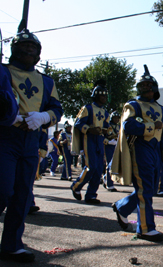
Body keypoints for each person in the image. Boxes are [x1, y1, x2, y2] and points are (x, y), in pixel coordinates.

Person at [0, 29, 63, 263]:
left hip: (31, 140)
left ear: (39, 54)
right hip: (5, 136)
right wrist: (8, 115)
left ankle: (12, 245)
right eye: (24, 46)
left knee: (23, 196)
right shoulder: (2, 71)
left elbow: (57, 108)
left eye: (33, 47)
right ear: (13, 49)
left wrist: (44, 118)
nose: (29, 50)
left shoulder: (47, 81)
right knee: (3, 189)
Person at [111, 65, 163, 242]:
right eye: (142, 85)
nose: (145, 87)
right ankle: (145, 229)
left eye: (148, 85)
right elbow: (128, 126)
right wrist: (151, 126)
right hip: (139, 149)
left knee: (150, 189)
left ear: (154, 88)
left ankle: (122, 207)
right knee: (145, 189)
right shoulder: (133, 105)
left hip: (155, 151)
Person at [70, 82, 111, 204]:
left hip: (99, 140)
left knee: (98, 169)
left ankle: (91, 195)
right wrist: (89, 129)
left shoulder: (106, 113)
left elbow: (107, 127)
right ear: (96, 95)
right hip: (89, 140)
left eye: (105, 96)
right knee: (90, 167)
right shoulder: (87, 108)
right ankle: (76, 186)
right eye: (102, 95)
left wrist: (109, 132)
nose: (104, 98)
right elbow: (78, 123)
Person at [103, 111, 120, 192]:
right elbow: (103, 136)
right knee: (110, 164)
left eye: (117, 118)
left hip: (116, 146)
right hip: (109, 146)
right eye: (115, 118)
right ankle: (109, 184)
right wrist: (108, 141)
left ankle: (106, 177)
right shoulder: (107, 126)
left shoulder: (119, 127)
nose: (116, 119)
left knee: (115, 164)